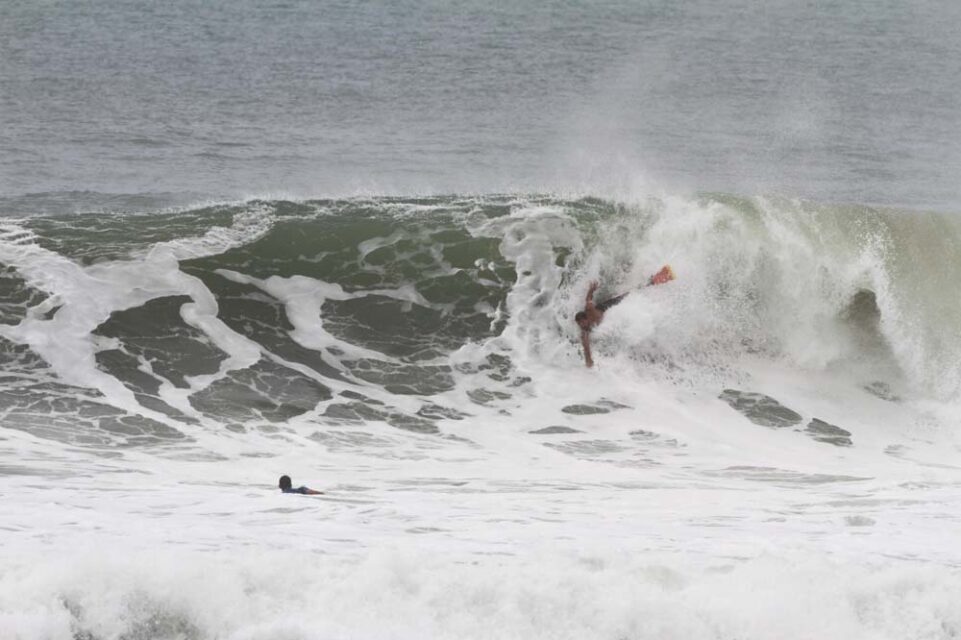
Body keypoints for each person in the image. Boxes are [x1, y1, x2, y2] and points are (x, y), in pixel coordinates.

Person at [574, 281, 628, 368]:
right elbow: (586, 347)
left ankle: (646, 285)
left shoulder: (590, 309)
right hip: (600, 315)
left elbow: (588, 299)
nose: (582, 326)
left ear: (587, 318)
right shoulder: (584, 331)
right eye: (579, 324)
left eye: (583, 323)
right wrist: (589, 361)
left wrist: (591, 290)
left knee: (624, 297)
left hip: (604, 307)